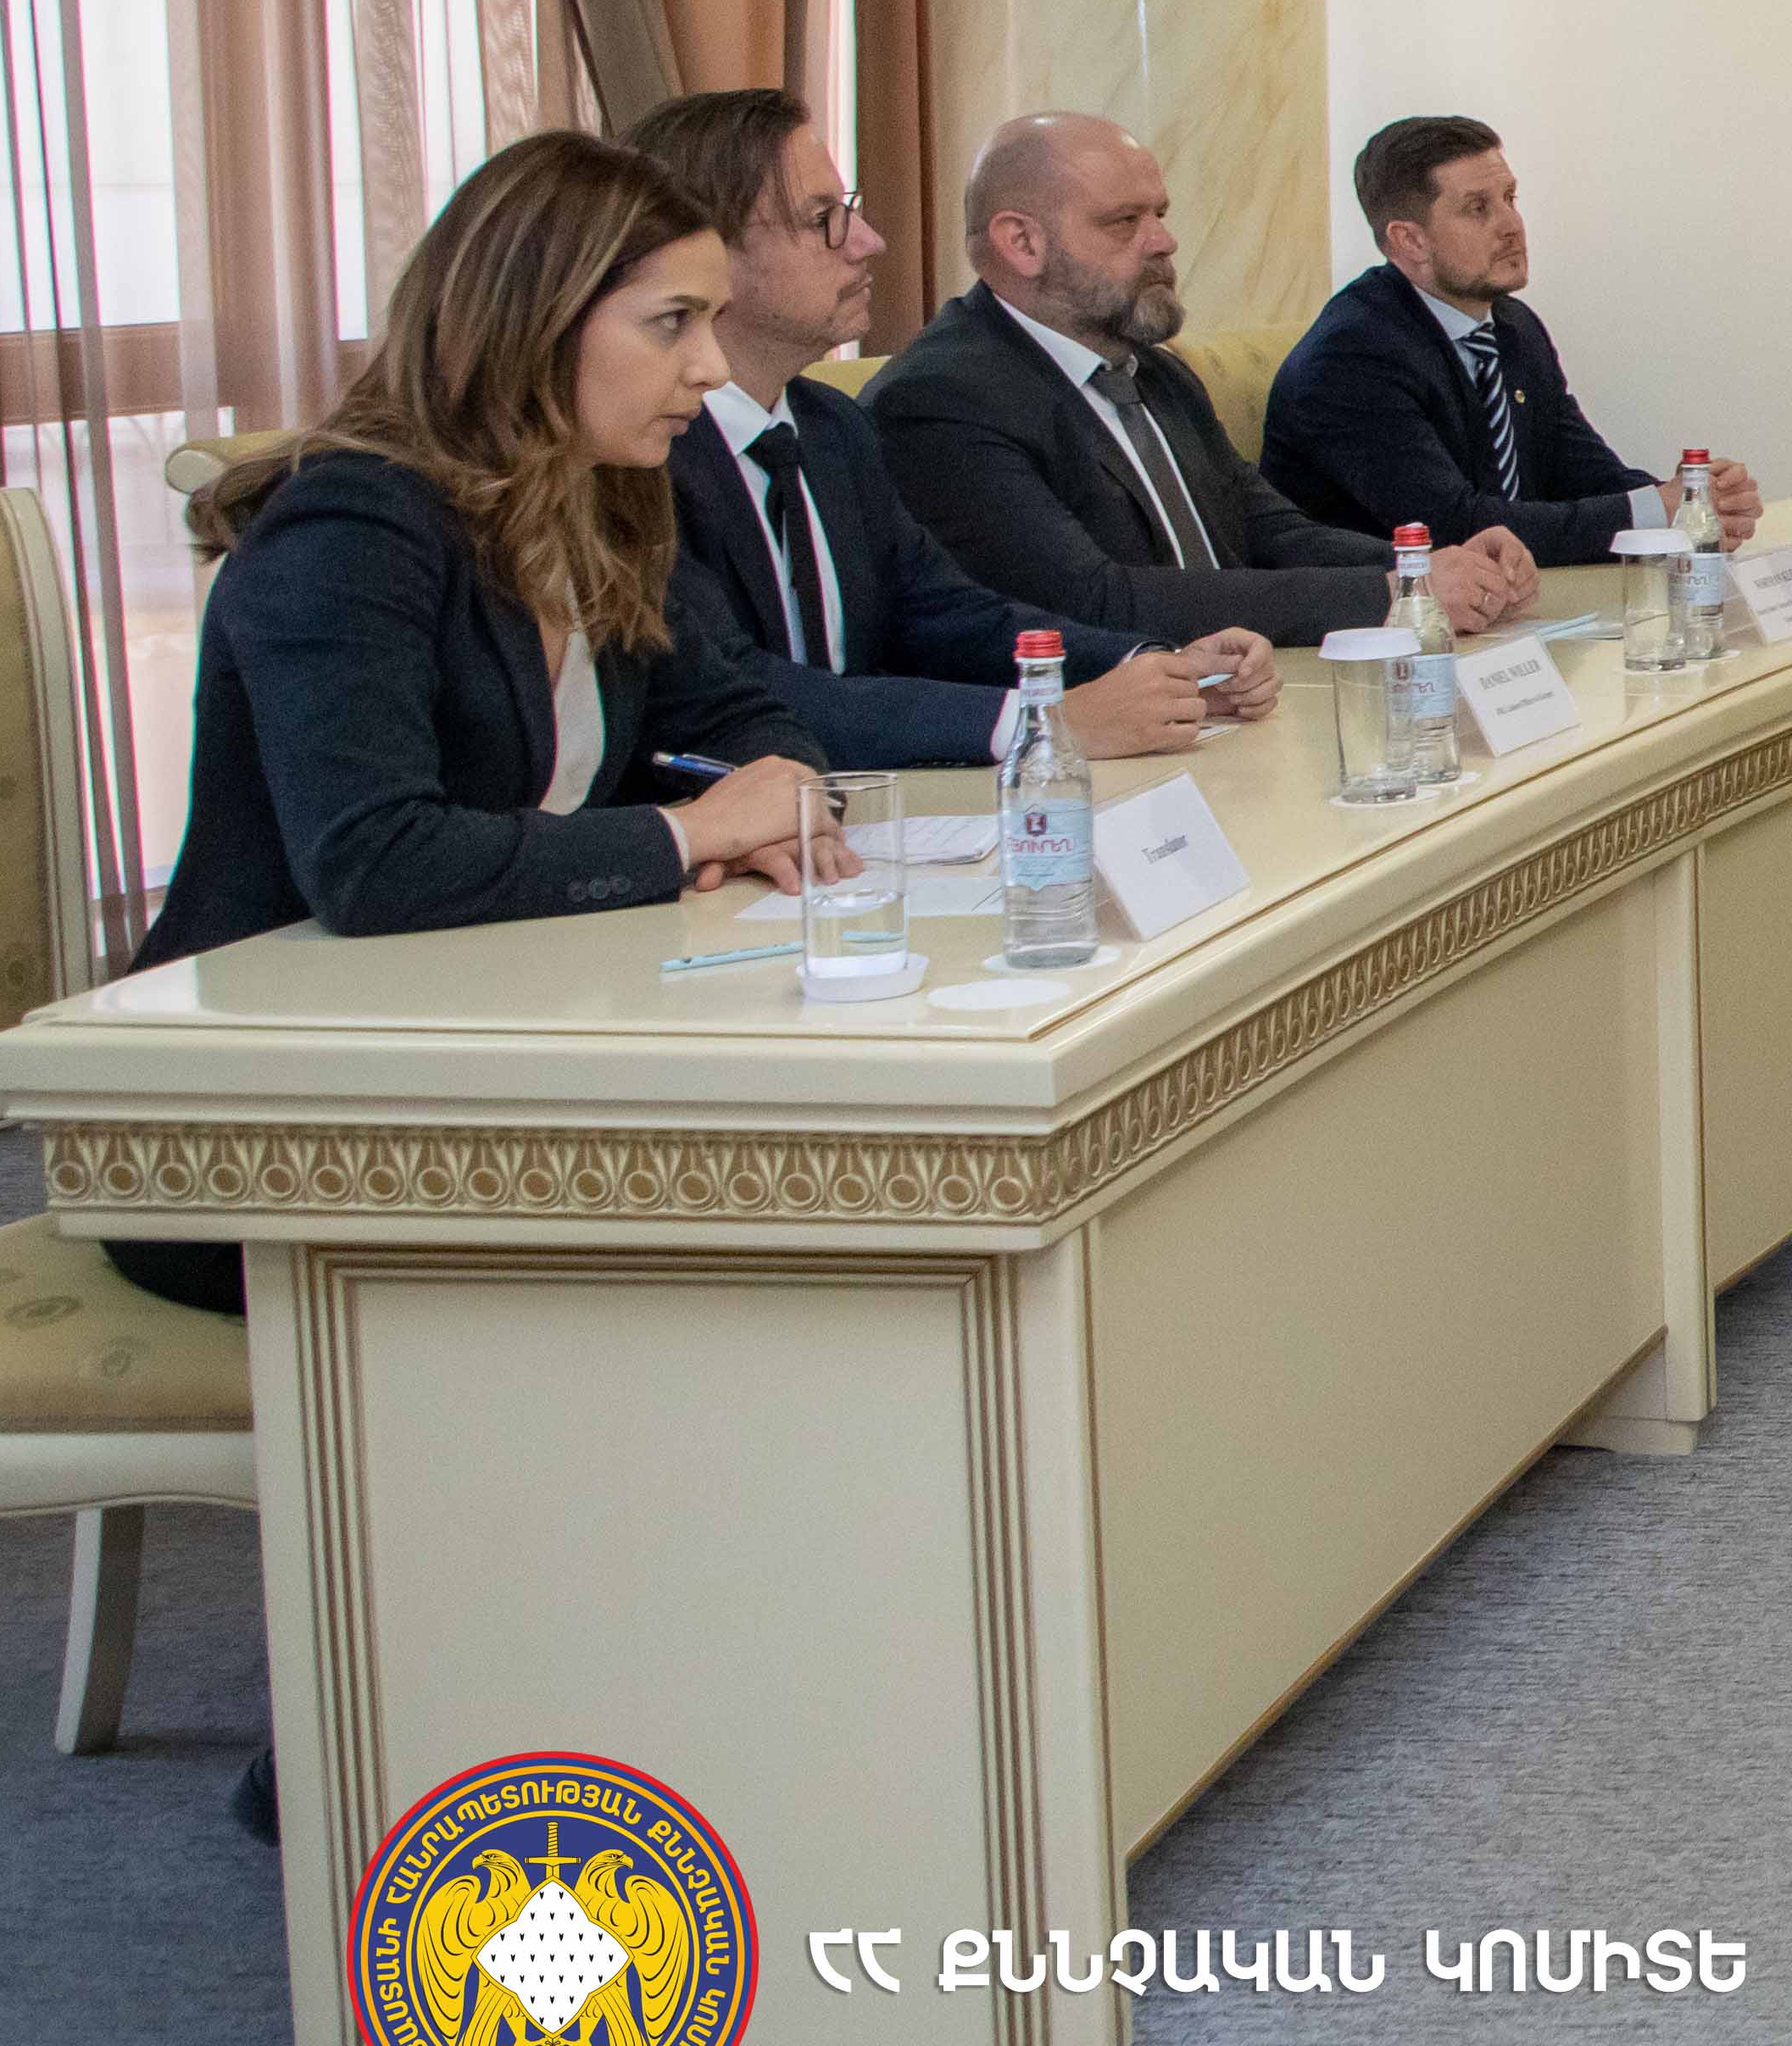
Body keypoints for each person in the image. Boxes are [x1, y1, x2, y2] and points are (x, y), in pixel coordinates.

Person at [112, 134, 844, 1312]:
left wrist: (781, 793)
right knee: (736, 1246)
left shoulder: (601, 499)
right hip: (263, 1114)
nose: (710, 366)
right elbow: (374, 858)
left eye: (710, 322)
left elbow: (742, 708)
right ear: (533, 320)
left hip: (484, 1041)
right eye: (672, 323)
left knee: (783, 1203)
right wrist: (689, 832)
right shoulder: (350, 528)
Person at [621, 87, 1280, 768]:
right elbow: (727, 690)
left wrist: (1154, 667)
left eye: (850, 211)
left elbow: (943, 613)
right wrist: (1038, 721)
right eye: (823, 220)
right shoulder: (639, 459)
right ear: (705, 253)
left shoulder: (830, 425)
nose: (869, 242)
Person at [867, 112, 1538, 647]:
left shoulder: (1156, 371)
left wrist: (1430, 566)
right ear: (1021, 243)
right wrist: (1393, 594)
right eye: (1124, 222)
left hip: (1233, 686)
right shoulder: (942, 399)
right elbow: (1092, 600)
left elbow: (1270, 530)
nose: (1163, 241)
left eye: (1159, 214)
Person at [1266, 114, 1761, 566]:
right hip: (1385, 621)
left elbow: (1584, 475)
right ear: (1410, 241)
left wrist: (1694, 504)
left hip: (1507, 606)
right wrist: (1656, 510)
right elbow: (1454, 528)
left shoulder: (1512, 326)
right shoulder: (1352, 358)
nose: (1511, 225)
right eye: (1478, 208)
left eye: (1510, 198)